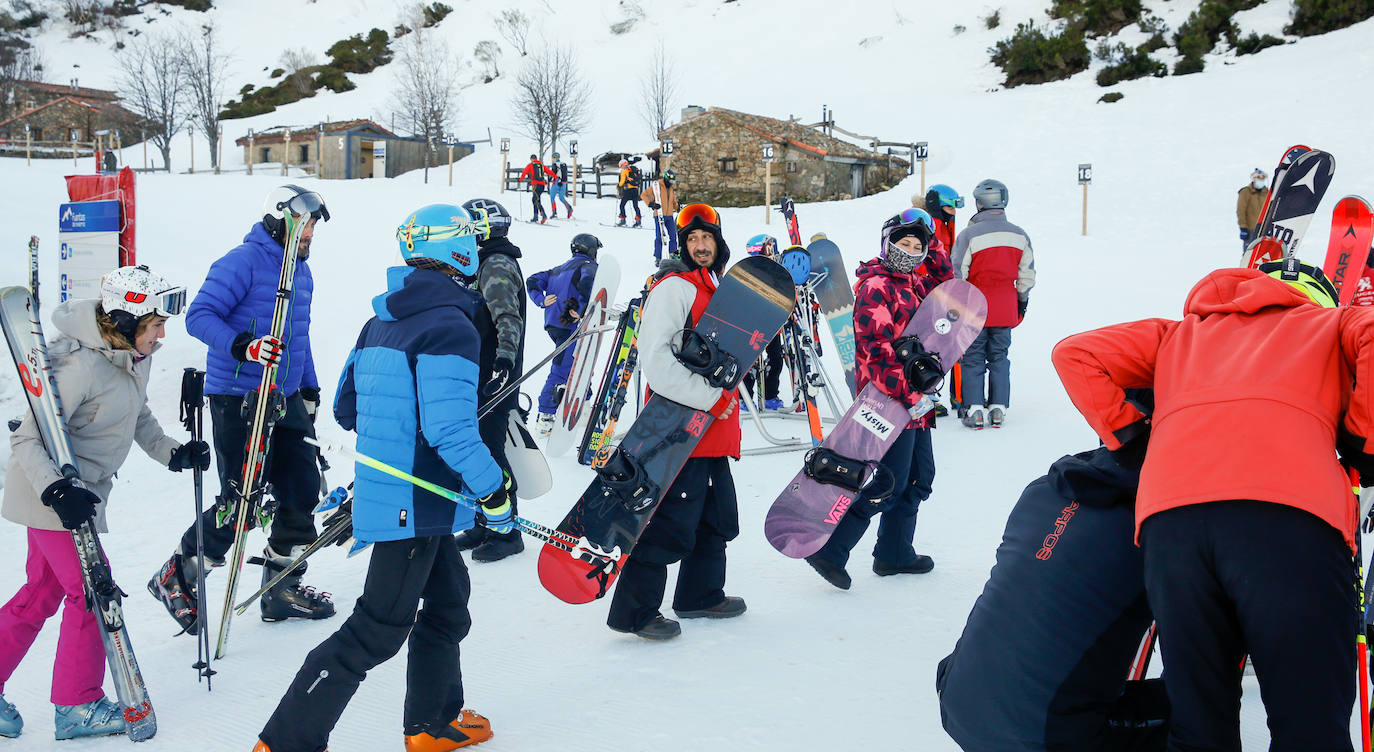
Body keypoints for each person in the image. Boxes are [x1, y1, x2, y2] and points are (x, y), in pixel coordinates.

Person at [1051, 258, 1365, 749]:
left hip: (1172, 525)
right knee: (1310, 719)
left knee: (1199, 719)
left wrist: (1133, 439)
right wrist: (1362, 440)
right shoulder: (1331, 322)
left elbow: (1076, 353)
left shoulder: (1179, 335)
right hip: (1290, 517)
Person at [255, 203, 512, 752]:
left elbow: (348, 407)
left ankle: (431, 723)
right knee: (377, 629)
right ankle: (285, 742)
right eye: (468, 239)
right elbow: (450, 431)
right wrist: (495, 490)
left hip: (408, 494)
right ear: (457, 251)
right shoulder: (451, 324)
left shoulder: (381, 319)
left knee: (447, 605)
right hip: (417, 500)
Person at [0, 266, 208, 741]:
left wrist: (172, 452)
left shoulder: (131, 356)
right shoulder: (79, 366)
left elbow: (137, 415)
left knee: (41, 595)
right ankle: (78, 705)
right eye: (156, 324)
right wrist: (57, 491)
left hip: (78, 497)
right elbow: (27, 437)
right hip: (52, 496)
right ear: (127, 320)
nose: (162, 335)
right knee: (94, 594)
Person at [148, 185, 334, 634]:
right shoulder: (242, 261)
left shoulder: (300, 271)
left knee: (303, 490)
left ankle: (282, 586)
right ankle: (182, 571)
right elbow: (199, 316)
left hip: (285, 398)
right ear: (282, 218)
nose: (311, 233)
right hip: (239, 395)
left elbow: (299, 337)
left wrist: (307, 389)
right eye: (305, 223)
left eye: (313, 226)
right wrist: (244, 347)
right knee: (243, 502)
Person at [937, 394, 1168, 752]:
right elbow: (1203, 645)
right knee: (1196, 706)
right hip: (1050, 737)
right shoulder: (1163, 523)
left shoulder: (1045, 488)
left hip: (957, 698)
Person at [606, 203, 746, 640]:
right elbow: (657, 361)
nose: (701, 245)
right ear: (682, 246)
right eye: (692, 239)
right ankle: (635, 613)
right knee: (667, 526)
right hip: (680, 428)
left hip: (712, 432)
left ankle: (700, 594)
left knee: (715, 519)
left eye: (707, 239)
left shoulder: (714, 287)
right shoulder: (674, 287)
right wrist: (710, 399)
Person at [803, 208, 952, 590]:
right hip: (888, 402)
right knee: (886, 484)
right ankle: (830, 551)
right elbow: (876, 352)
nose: (911, 250)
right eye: (903, 242)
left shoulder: (916, 283)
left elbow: (948, 285)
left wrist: (932, 241)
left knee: (919, 479)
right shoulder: (876, 287)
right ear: (887, 244)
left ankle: (894, 552)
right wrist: (911, 394)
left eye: (918, 245)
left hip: (915, 405)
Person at [456, 198, 527, 563]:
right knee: (478, 451)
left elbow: (507, 318)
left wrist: (502, 364)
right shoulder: (482, 263)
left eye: (468, 226)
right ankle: (486, 520)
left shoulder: (496, 263)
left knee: (491, 452)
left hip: (493, 377)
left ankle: (507, 531)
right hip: (481, 373)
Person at [951, 178, 1035, 430]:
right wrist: (1021, 301)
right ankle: (998, 408)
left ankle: (975, 409)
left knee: (973, 357)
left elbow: (957, 273)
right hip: (1005, 306)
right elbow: (1027, 276)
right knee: (999, 356)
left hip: (974, 307)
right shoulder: (1020, 235)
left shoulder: (968, 235)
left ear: (978, 203)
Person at [524, 234, 600, 437]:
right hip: (571, 326)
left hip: (554, 326)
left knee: (581, 361)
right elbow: (587, 285)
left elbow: (532, 280)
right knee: (562, 368)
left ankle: (584, 405)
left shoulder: (557, 269)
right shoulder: (589, 266)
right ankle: (545, 417)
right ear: (592, 250)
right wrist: (582, 310)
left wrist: (540, 299)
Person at [923, 184, 965, 418]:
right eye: (950, 206)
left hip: (945, 294)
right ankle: (928, 395)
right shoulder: (931, 226)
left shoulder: (947, 225)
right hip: (929, 296)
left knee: (947, 346)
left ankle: (954, 396)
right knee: (930, 347)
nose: (954, 211)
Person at [740, 233, 785, 411]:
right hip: (753, 325)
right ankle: (745, 396)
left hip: (773, 322)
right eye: (769, 248)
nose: (773, 252)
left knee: (776, 359)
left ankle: (770, 395)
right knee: (749, 361)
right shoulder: (750, 270)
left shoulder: (778, 270)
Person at [641, 168, 679, 262]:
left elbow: (673, 201)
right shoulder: (656, 186)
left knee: (673, 236)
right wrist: (651, 204)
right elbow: (644, 195)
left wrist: (677, 207)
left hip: (669, 215)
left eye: (672, 182)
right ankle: (658, 257)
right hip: (659, 215)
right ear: (666, 178)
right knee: (659, 237)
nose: (671, 183)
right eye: (670, 181)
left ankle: (673, 256)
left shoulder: (671, 188)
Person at [1237, 167, 1269, 251]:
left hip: (1265, 229)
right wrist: (1243, 227)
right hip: (1251, 229)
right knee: (1249, 252)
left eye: (1262, 178)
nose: (1260, 180)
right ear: (1253, 178)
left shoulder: (1267, 193)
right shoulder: (1246, 192)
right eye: (1258, 177)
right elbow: (1241, 211)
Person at [518, 154, 555, 224]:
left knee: (535, 200)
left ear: (531, 159)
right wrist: (555, 177)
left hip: (536, 185)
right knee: (536, 199)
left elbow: (524, 172)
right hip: (542, 185)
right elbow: (549, 172)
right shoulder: (541, 165)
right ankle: (536, 217)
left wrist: (520, 179)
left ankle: (543, 215)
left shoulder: (531, 165)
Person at [617, 159, 643, 228]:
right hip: (635, 190)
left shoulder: (624, 171)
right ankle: (638, 222)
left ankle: (623, 220)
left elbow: (622, 182)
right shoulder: (633, 169)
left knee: (622, 205)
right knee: (635, 206)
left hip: (628, 191)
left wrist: (619, 185)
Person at [547, 153, 573, 219]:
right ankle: (569, 208)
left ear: (555, 158)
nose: (552, 159)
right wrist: (562, 181)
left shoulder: (554, 164)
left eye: (553, 158)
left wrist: (549, 179)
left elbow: (553, 173)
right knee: (561, 198)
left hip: (557, 182)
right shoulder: (564, 164)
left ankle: (554, 213)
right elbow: (565, 174)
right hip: (564, 182)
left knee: (552, 197)